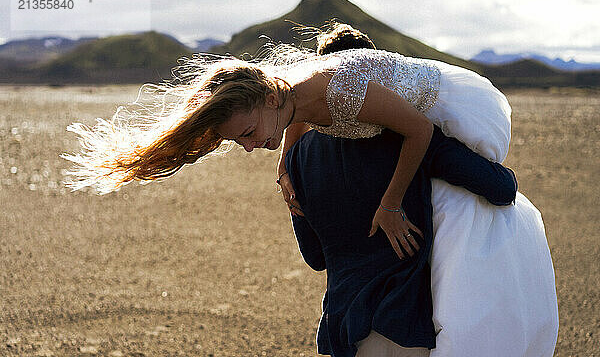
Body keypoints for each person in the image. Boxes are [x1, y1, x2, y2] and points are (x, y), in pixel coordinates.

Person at [62, 22, 511, 259]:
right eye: (238, 142)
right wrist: (285, 167)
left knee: (462, 181)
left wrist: (390, 205)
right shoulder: (287, 98)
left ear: (267, 99)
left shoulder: (337, 88)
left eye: (246, 134)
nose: (249, 146)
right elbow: (301, 117)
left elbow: (420, 130)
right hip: (392, 111)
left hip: (449, 103)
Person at [281, 24, 557, 357]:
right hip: (403, 327)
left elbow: (315, 257)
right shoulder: (409, 136)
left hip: (343, 333)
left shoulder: (296, 159)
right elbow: (500, 188)